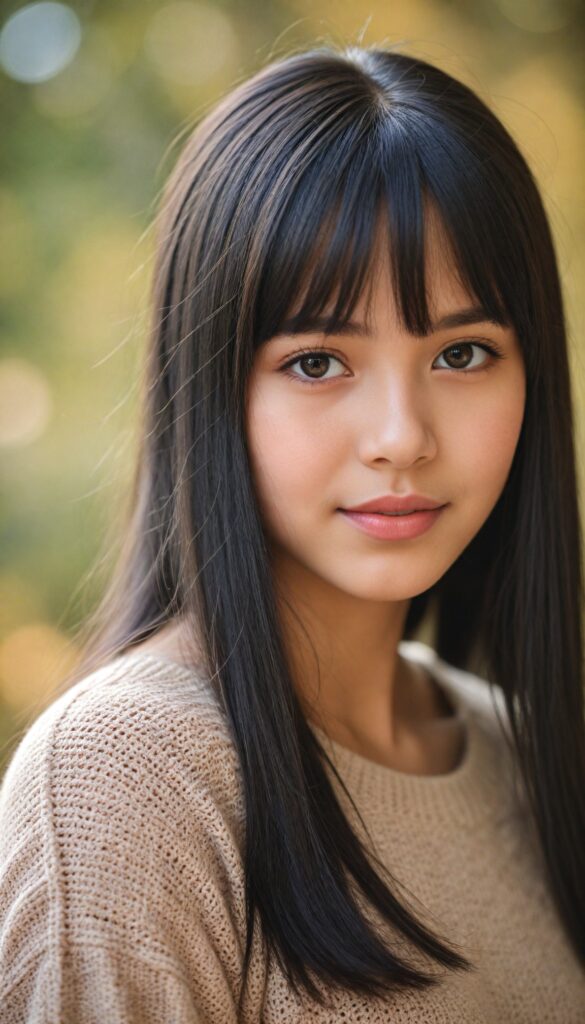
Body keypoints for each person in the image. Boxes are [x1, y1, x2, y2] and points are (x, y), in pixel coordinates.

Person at [0, 43, 584, 1023]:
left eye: (464, 352)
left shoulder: (531, 758)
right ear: (213, 384)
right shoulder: (132, 780)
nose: (402, 436)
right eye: (319, 362)